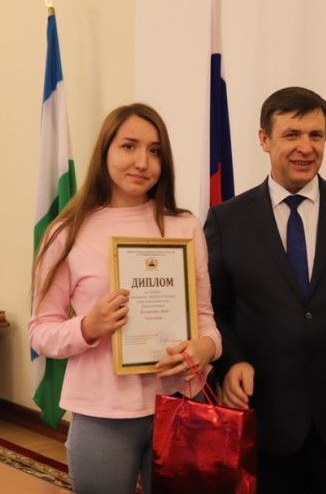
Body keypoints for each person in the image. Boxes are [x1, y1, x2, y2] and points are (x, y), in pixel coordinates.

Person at [204, 86, 326, 493]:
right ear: (264, 139)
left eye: (316, 135)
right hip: (265, 417)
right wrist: (232, 363)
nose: (306, 147)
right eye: (292, 134)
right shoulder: (227, 220)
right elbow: (214, 310)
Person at [28, 104, 222, 494]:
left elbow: (206, 318)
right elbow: (39, 331)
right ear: (105, 151)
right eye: (129, 146)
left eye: (155, 151)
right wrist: (88, 327)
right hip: (102, 412)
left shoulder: (184, 226)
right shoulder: (67, 231)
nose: (142, 162)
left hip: (179, 404)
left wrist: (206, 347)